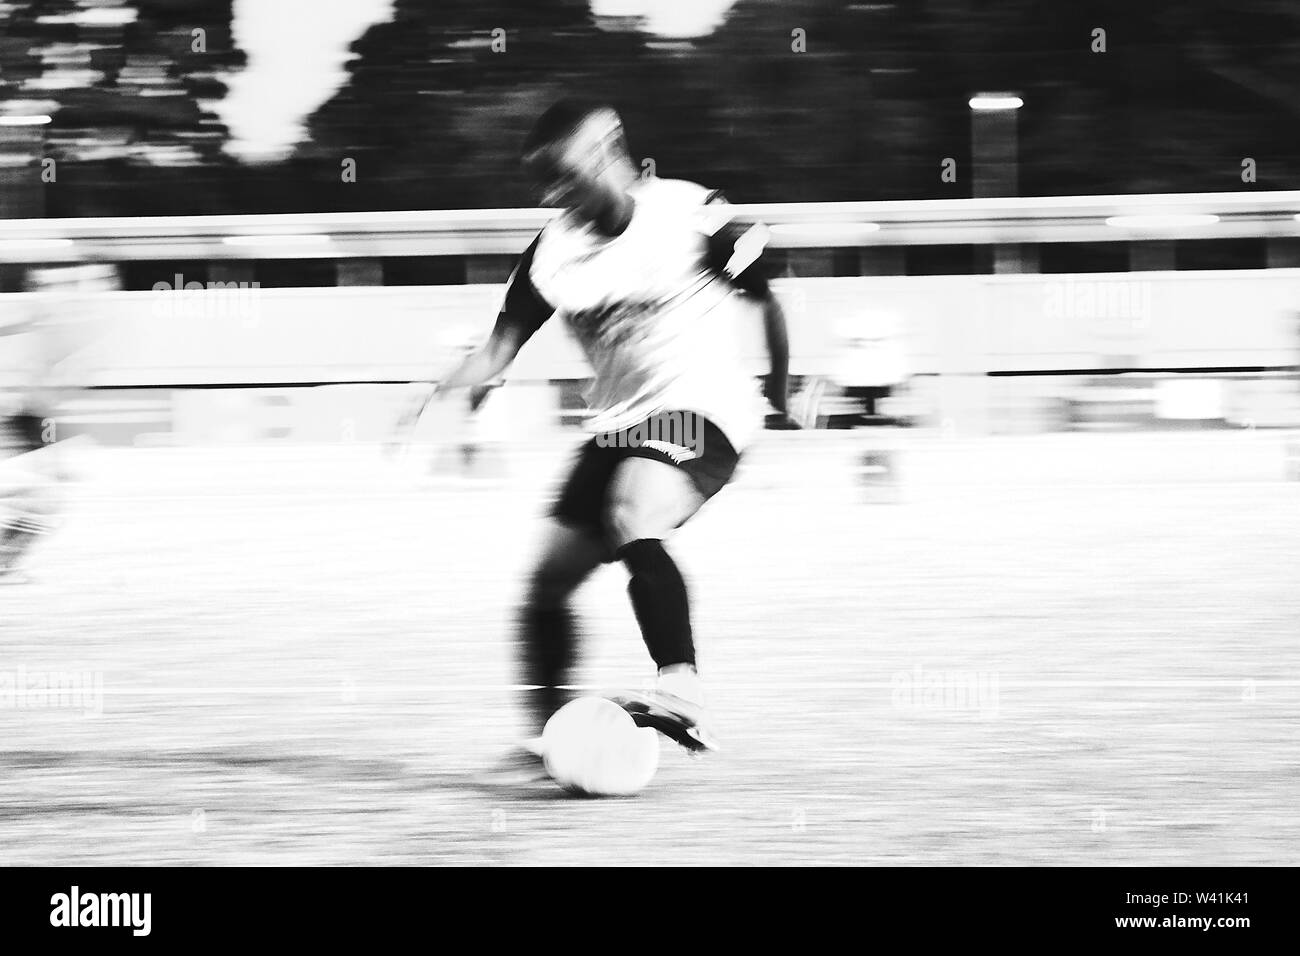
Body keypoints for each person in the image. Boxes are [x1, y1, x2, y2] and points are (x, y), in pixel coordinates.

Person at [419, 99, 792, 778]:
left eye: (586, 161)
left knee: (633, 510)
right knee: (546, 585)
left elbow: (766, 298)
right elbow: (499, 348)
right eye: (561, 176)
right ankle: (549, 740)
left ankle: (681, 689)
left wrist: (783, 392)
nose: (565, 190)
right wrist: (446, 388)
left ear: (614, 149)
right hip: (619, 424)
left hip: (704, 408)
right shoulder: (551, 254)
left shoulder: (691, 213)